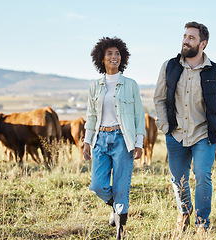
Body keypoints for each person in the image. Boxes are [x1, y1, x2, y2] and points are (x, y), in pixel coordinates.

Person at [153, 21, 216, 232]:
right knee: (178, 179)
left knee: (203, 176)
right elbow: (159, 99)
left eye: (191, 38)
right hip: (176, 135)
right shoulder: (169, 66)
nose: (185, 41)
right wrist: (163, 126)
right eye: (185, 36)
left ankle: (202, 223)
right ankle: (185, 211)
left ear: (203, 44)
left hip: (203, 135)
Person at [83, 37, 146, 239]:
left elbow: (138, 116)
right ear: (101, 58)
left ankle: (121, 231)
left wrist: (139, 143)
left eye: (117, 53)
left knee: (121, 186)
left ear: (123, 58)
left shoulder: (130, 85)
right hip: (100, 139)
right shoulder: (95, 86)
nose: (114, 57)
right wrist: (86, 141)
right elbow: (91, 116)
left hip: (122, 139)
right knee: (97, 185)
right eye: (109, 53)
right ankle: (116, 206)